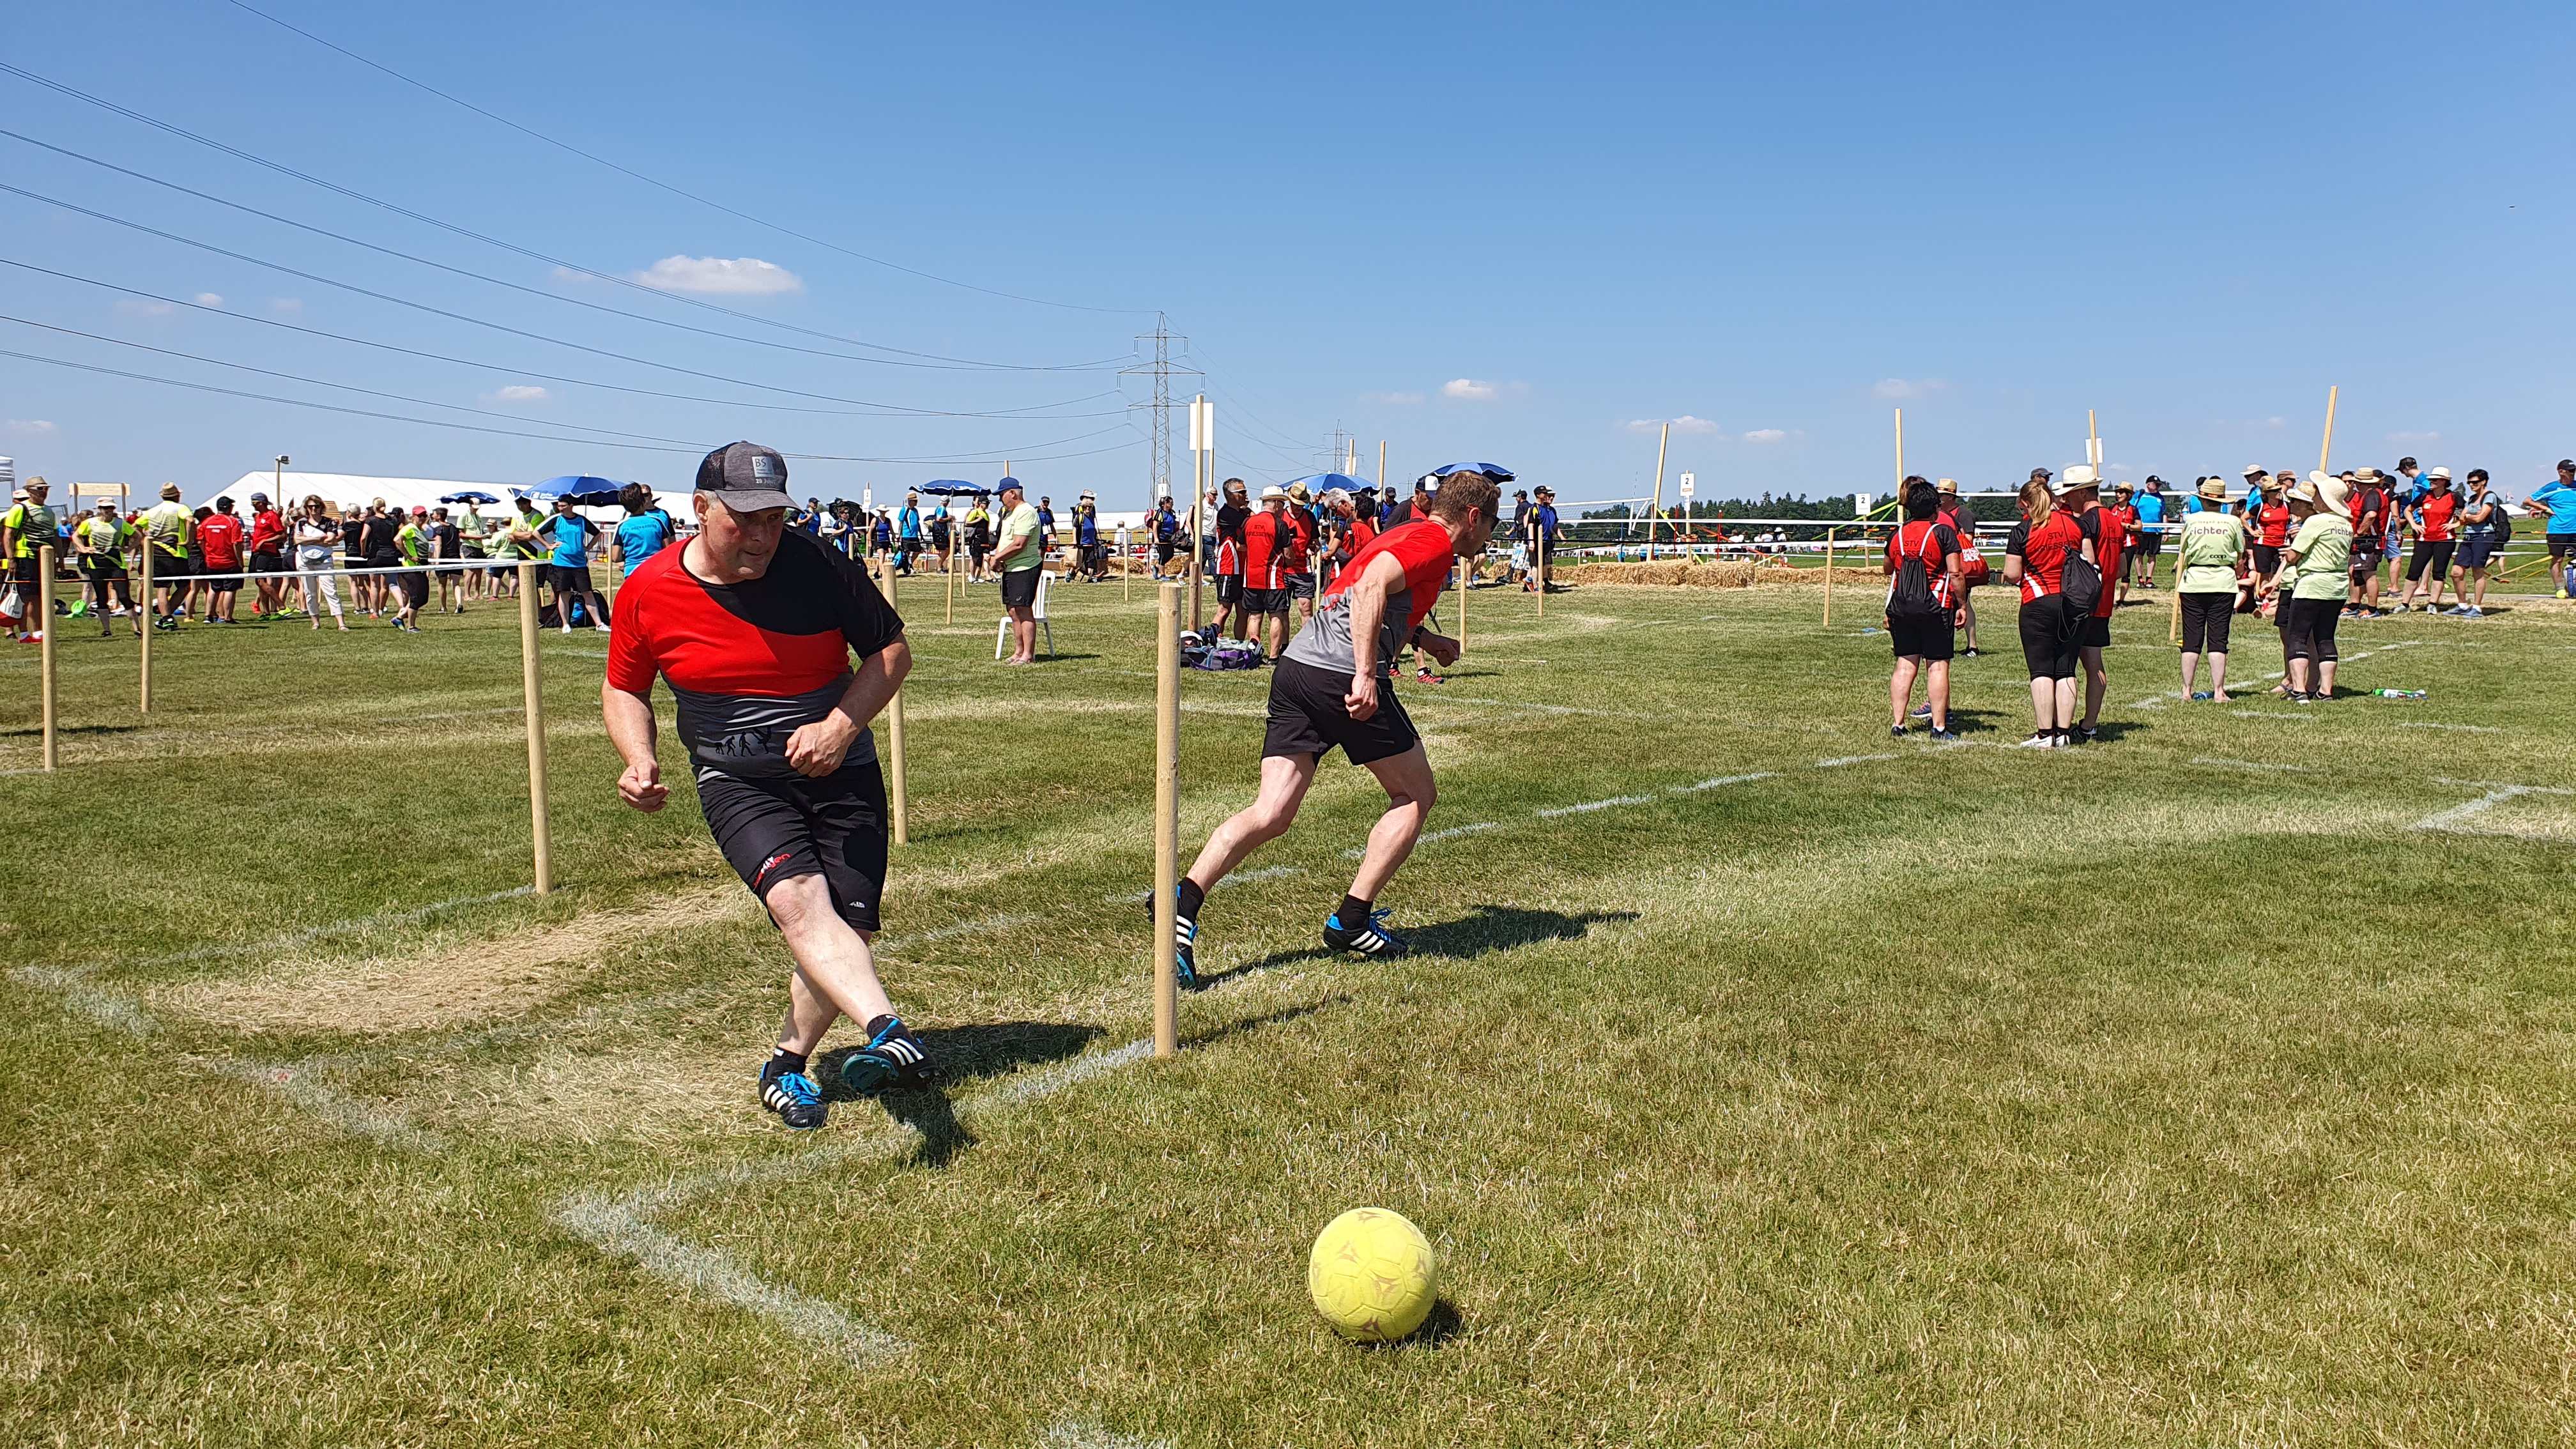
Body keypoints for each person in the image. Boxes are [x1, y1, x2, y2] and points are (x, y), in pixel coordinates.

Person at [603, 441, 927, 1131]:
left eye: (774, 519)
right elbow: (625, 686)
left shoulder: (817, 563)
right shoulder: (648, 589)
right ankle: (887, 1028)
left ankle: (785, 1065)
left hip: (843, 769)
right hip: (737, 779)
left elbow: (891, 652)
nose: (761, 536)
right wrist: (638, 757)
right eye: (743, 520)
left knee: (852, 927)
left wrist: (839, 726)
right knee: (799, 903)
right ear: (700, 508)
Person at [1161, 468, 1501, 986]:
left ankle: (1181, 905)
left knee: (1272, 812)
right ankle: (1352, 920)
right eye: (1492, 525)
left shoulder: (1405, 532)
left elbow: (1360, 595)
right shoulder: (1434, 542)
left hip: (1297, 668)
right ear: (1473, 517)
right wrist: (1365, 673)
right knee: (1416, 795)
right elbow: (1369, 589)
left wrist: (1425, 641)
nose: (1490, 537)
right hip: (1341, 677)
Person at [2001, 470, 2094, 748]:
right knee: (2067, 669)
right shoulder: (2076, 524)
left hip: (2038, 601)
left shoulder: (2023, 531)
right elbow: (2089, 561)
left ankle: (2045, 734)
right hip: (2073, 602)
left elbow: (2013, 574)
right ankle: (2064, 732)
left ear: (2025, 504)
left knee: (2041, 670)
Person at [1882, 478, 1965, 740]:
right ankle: (1939, 727)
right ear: (1935, 508)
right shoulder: (1943, 533)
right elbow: (1956, 573)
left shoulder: (1897, 535)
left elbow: (1888, 569)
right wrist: (1962, 604)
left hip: (1901, 606)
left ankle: (1898, 724)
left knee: (1905, 664)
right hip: (1936, 606)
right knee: (1937, 665)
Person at [2273, 475, 2352, 701]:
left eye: (2318, 494)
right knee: (2325, 638)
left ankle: (2299, 689)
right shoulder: (2346, 525)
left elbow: (2294, 555)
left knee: (2297, 637)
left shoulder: (2315, 522)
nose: (2314, 497)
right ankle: (2326, 690)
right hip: (2337, 587)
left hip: (2312, 584)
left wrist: (2289, 553)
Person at [2177, 476, 2250, 702]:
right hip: (2223, 581)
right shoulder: (2233, 522)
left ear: (2202, 500)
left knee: (2191, 638)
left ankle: (2186, 690)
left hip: (2193, 581)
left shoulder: (2191, 521)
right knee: (2219, 638)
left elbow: (2184, 551)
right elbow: (2240, 551)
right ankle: (2219, 691)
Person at [2061, 468, 2113, 741]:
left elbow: (2086, 561)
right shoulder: (2113, 519)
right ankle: (2089, 724)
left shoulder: (2086, 522)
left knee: (2067, 666)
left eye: (2069, 494)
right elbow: (2122, 566)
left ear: (2082, 492)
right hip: (2104, 601)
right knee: (2095, 665)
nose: (2065, 499)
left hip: (2085, 602)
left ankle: (2060, 725)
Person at [992, 477, 1045, 664]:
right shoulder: (1009, 514)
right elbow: (1005, 540)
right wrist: (998, 558)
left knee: (1023, 609)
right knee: (1013, 610)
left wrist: (997, 558)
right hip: (1011, 568)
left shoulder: (1026, 512)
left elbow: (1019, 544)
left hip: (1025, 567)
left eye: (1001, 495)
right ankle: (1018, 651)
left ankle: (1028, 655)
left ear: (1012, 493)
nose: (1000, 500)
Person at [1241, 485, 1295, 661]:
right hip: (1273, 578)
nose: (1283, 509)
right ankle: (1273, 656)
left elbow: (1240, 545)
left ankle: (1253, 653)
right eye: (1283, 504)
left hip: (1251, 577)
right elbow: (1288, 555)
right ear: (1277, 504)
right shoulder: (1280, 524)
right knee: (1276, 616)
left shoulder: (1249, 522)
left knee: (1255, 616)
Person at [2395, 468, 2460, 613]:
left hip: (2445, 540)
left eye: (2434, 480)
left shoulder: (2454, 497)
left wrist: (2456, 524)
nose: (2431, 482)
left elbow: (2467, 512)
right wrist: (2413, 524)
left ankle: (2433, 604)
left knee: (2439, 573)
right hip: (2424, 539)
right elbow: (2408, 510)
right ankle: (2405, 604)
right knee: (2413, 572)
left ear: (2444, 481)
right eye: (2430, 479)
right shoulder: (2425, 496)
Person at [1, 476, 57, 643]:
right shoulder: (21, 509)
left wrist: (59, 559)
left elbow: (54, 536)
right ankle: (29, 633)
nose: (44, 492)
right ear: (30, 491)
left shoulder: (49, 511)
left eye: (46, 489)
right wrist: (11, 558)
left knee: (42, 596)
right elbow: (8, 535)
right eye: (40, 489)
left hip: (45, 558)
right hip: (26, 558)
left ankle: (38, 632)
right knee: (28, 597)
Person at [542, 496, 610, 634]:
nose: (560, 508)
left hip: (579, 564)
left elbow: (597, 534)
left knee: (587, 593)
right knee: (564, 594)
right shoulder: (556, 520)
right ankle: (566, 624)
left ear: (571, 505)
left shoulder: (581, 520)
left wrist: (588, 547)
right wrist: (548, 546)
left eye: (563, 506)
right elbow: (537, 533)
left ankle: (599, 624)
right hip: (561, 563)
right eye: (559, 506)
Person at [73, 498, 136, 636]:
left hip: (117, 565)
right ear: (100, 509)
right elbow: (76, 536)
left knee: (124, 596)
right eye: (105, 508)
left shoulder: (120, 523)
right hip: (96, 564)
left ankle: (137, 628)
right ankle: (107, 630)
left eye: (111, 508)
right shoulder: (90, 523)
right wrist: (83, 548)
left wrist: (128, 548)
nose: (109, 511)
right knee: (102, 598)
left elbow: (137, 536)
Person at [1933, 479, 1983, 656]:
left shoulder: (1963, 514)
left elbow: (1967, 540)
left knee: (1964, 603)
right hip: (1943, 565)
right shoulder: (1937, 513)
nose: (1939, 499)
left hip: (1958, 564)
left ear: (1950, 496)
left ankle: (1972, 646)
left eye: (1942, 495)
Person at [2448, 469, 2503, 617]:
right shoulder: (2472, 499)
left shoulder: (2489, 496)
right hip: (2469, 536)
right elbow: (2463, 517)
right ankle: (2462, 605)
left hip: (2484, 536)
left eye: (2475, 482)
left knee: (2477, 571)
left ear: (2484, 482)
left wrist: (2467, 517)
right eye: (2469, 483)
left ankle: (2477, 608)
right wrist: (2468, 517)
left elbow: (2479, 518)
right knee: (2456, 572)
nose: (2472, 485)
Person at [139, 482, 193, 631]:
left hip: (157, 552)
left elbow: (136, 526)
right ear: (177, 496)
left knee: (163, 588)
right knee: (184, 587)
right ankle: (167, 616)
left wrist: (144, 539)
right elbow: (190, 520)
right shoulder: (180, 508)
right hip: (177, 552)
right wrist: (188, 541)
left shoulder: (152, 511)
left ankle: (166, 617)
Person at [291, 496, 349, 631]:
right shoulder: (301, 523)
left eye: (316, 506)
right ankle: (315, 622)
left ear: (321, 507)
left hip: (324, 561)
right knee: (310, 593)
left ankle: (341, 623)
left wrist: (307, 540)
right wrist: (318, 538)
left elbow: (330, 540)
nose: (314, 509)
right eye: (310, 506)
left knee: (331, 592)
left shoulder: (329, 522)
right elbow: (298, 540)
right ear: (306, 508)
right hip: (305, 561)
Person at [613, 484, 676, 590]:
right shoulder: (657, 522)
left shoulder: (622, 526)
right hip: (655, 570)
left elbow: (615, 557)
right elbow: (667, 549)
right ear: (642, 503)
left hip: (631, 571)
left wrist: (629, 556)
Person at [2343, 468, 2388, 617]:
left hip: (2370, 540)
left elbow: (2371, 515)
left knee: (2369, 574)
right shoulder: (2369, 495)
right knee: (2354, 571)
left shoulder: (2372, 495)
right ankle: (2354, 605)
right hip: (2364, 540)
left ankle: (2372, 609)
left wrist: (2360, 532)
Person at [1211, 477, 1250, 641]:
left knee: (1243, 610)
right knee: (1224, 609)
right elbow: (1251, 523)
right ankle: (1213, 642)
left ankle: (1239, 645)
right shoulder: (1226, 513)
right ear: (1230, 495)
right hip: (1229, 566)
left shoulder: (1240, 513)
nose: (1245, 495)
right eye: (1241, 492)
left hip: (1242, 567)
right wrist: (1250, 512)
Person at [197, 496, 247, 624]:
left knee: (213, 588)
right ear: (229, 508)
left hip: (212, 561)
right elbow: (237, 543)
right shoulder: (232, 522)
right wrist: (240, 561)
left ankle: (208, 615)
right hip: (229, 561)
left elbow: (200, 541)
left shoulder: (207, 522)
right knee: (230, 589)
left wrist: (207, 554)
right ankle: (227, 617)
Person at [2531, 459, 2576, 599]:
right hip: (2558, 530)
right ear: (2561, 472)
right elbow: (2528, 500)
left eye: (2574, 471)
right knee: (2558, 559)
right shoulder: (2552, 488)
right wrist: (2545, 509)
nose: (2573, 474)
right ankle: (2559, 589)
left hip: (2575, 529)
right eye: (2570, 471)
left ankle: (2572, 585)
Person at [245, 492, 288, 618]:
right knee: (259, 582)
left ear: (261, 503)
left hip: (267, 552)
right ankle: (266, 612)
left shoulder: (271, 516)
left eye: (254, 503)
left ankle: (282, 606)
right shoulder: (259, 516)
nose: (253, 505)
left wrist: (265, 541)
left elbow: (282, 535)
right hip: (256, 552)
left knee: (261, 580)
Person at [2250, 473, 2292, 601]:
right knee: (2265, 572)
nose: (2278, 492)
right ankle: (2262, 597)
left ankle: (2273, 596)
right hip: (2263, 543)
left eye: (2278, 489)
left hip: (2281, 543)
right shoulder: (2261, 506)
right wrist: (2252, 531)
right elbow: (2244, 518)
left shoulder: (2286, 505)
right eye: (2274, 491)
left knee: (2279, 571)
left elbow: (2297, 516)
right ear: (2267, 493)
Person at [389, 508, 429, 633]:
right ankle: (411, 627)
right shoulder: (410, 528)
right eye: (420, 516)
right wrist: (409, 556)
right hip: (411, 568)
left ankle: (399, 618)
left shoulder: (419, 530)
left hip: (420, 568)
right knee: (416, 598)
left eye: (424, 515)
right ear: (413, 516)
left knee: (423, 599)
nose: (422, 518)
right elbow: (397, 540)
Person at [1283, 482, 1319, 620]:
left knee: (1306, 607)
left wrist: (1313, 548)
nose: (1298, 507)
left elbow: (1316, 542)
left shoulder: (1309, 517)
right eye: (1295, 504)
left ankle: (1308, 635)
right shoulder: (1281, 516)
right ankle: (1285, 636)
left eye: (1301, 504)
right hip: (1283, 570)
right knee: (1282, 610)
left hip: (1303, 569)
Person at [2103, 482, 2140, 608]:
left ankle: (2121, 600)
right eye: (2117, 492)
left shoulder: (2133, 510)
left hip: (2128, 543)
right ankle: (2107, 596)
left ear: (2128, 495)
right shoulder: (2112, 508)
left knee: (2125, 571)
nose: (2118, 495)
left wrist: (2126, 526)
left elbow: (2139, 526)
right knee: (2110, 570)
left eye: (2121, 492)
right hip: (2113, 543)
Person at [428, 507, 468, 614]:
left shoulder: (438, 529)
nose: (432, 515)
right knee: (456, 584)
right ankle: (459, 603)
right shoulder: (454, 528)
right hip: (455, 558)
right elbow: (459, 542)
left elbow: (439, 544)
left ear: (438, 516)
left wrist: (437, 560)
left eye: (434, 514)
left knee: (442, 585)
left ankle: (443, 607)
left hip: (444, 559)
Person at [2129, 477, 2166, 590]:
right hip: (2141, 531)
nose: (2158, 486)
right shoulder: (2139, 495)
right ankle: (2140, 580)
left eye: (2159, 484)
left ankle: (2149, 580)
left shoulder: (2160, 498)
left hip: (2155, 531)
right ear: (2148, 484)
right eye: (2156, 484)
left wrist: (2166, 531)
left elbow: (2164, 514)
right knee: (2139, 555)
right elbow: (2131, 510)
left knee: (2152, 555)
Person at [1526, 486, 1560, 594]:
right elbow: (1530, 525)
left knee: (1546, 564)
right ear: (1538, 495)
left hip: (1546, 540)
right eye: (1544, 493)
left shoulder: (1546, 508)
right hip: (1537, 541)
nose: (1546, 495)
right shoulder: (1534, 508)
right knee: (1535, 565)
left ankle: (1534, 580)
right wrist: (1532, 541)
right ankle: (1536, 587)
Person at [963, 495, 993, 582]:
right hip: (977, 539)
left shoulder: (986, 514)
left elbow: (987, 528)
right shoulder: (975, 512)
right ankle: (972, 577)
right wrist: (978, 520)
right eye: (986, 503)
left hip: (985, 539)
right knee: (975, 558)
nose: (987, 505)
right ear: (980, 503)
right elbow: (967, 523)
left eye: (988, 503)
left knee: (987, 557)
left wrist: (988, 537)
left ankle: (987, 576)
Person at [1151, 494, 1183, 572]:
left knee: (1170, 554)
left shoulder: (1172, 513)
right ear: (1165, 503)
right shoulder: (1160, 513)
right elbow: (1155, 526)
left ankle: (1156, 567)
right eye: (1171, 503)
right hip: (1161, 537)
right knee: (1163, 555)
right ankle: (1162, 574)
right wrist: (1156, 538)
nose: (1172, 504)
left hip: (1170, 537)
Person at [897, 491, 923, 576]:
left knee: (918, 550)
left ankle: (910, 564)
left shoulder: (916, 511)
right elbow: (901, 523)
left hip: (915, 535)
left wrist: (921, 534)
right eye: (915, 501)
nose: (916, 502)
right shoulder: (904, 510)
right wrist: (899, 535)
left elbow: (917, 523)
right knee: (906, 552)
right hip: (906, 535)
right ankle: (907, 568)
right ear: (910, 501)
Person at [929, 502, 954, 574]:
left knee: (946, 550)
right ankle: (939, 568)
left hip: (941, 533)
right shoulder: (942, 508)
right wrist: (949, 518)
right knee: (945, 550)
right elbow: (939, 519)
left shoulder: (940, 508)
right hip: (941, 533)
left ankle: (940, 566)